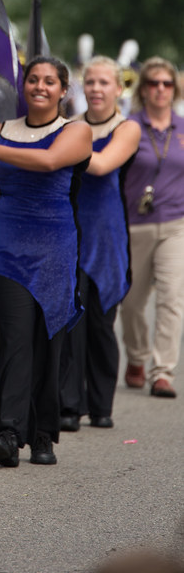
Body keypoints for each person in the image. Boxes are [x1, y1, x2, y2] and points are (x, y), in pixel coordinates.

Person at [0, 55, 92, 468]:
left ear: (63, 90)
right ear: (24, 87)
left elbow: (50, 160)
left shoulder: (76, 131)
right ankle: (7, 432)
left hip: (55, 248)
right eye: (33, 79)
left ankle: (43, 434)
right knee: (15, 340)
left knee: (49, 341)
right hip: (7, 247)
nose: (39, 86)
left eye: (49, 81)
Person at [59, 57, 140, 430]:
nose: (95, 88)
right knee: (71, 322)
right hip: (72, 230)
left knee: (101, 322)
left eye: (104, 82)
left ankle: (101, 404)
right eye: (90, 82)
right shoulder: (71, 127)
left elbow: (104, 164)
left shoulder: (127, 128)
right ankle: (70, 406)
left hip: (107, 234)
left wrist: (55, 146)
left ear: (118, 88)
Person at [120, 56, 184, 398]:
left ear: (174, 90)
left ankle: (162, 371)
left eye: (167, 84)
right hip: (135, 224)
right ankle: (137, 356)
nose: (160, 89)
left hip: (176, 224)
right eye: (153, 83)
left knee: (172, 299)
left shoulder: (183, 127)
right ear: (143, 89)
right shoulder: (129, 126)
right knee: (130, 302)